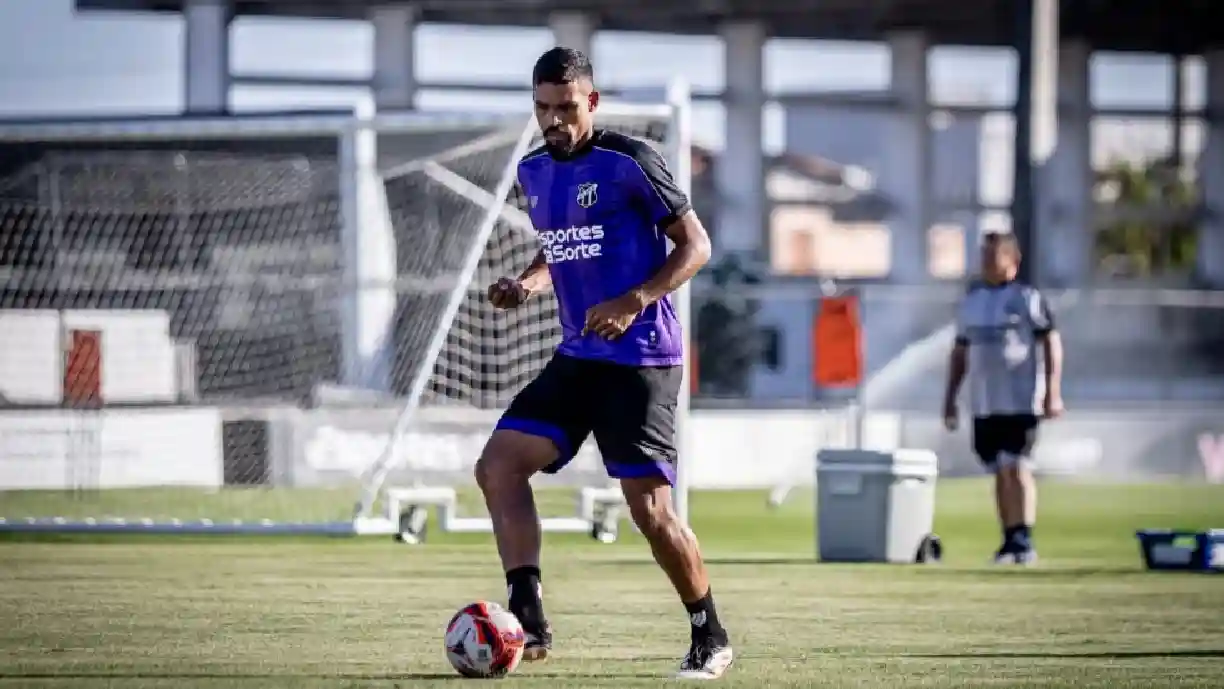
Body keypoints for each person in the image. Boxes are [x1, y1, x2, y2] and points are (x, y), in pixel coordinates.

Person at [475, 46, 733, 679]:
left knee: (650, 513)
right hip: (578, 356)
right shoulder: (534, 171)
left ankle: (710, 632)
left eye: (566, 107)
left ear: (591, 101)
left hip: (642, 359)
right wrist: (525, 286)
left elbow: (697, 245)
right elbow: (559, 252)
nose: (554, 119)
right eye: (543, 108)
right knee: (498, 467)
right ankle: (528, 613)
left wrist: (633, 300)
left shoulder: (631, 161)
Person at [942, 231, 1064, 565]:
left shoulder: (1027, 298)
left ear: (1013, 260)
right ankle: (1009, 537)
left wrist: (1052, 392)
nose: (985, 263)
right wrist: (950, 398)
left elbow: (1050, 342)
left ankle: (1025, 536)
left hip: (1020, 400)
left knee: (1017, 465)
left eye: (992, 256)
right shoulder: (972, 301)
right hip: (984, 401)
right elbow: (960, 351)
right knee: (999, 468)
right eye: (983, 256)